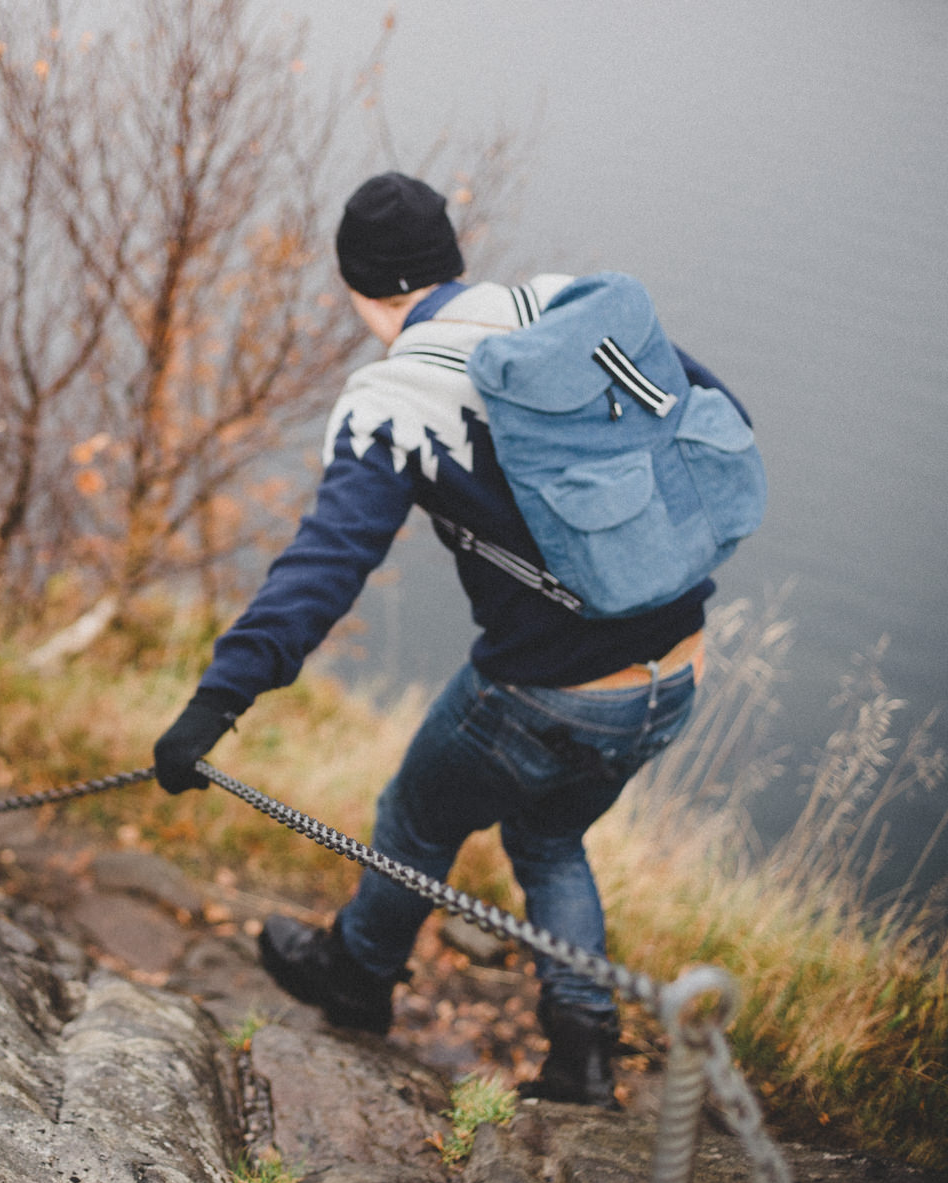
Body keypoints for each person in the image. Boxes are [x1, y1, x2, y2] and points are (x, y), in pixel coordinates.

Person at [153, 172, 738, 1109]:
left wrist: (217, 700)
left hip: (550, 690)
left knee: (419, 814)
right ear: (450, 259)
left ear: (361, 288)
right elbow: (707, 410)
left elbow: (324, 566)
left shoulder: (393, 400)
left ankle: (357, 974)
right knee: (548, 834)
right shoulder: (562, 310)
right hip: (675, 670)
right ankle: (585, 1049)